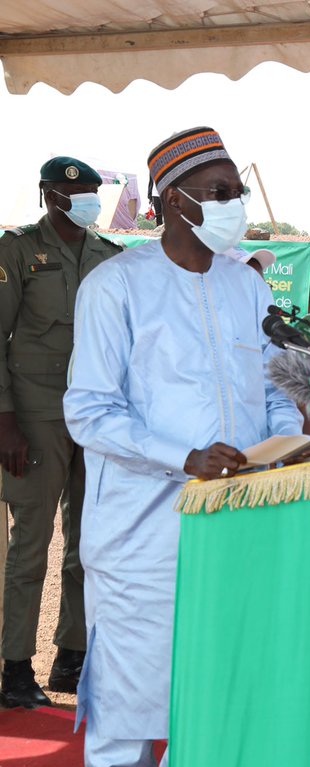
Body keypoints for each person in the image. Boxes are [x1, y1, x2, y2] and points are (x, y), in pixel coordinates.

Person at [63, 126, 302, 767]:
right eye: (217, 192)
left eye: (237, 190)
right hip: (144, 541)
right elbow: (88, 410)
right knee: (129, 721)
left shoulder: (246, 287)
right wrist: (185, 457)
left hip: (232, 535)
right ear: (173, 201)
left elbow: (277, 384)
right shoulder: (116, 287)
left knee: (211, 707)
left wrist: (290, 435)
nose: (234, 202)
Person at [0, 156, 123, 708]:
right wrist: (6, 421)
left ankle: (71, 657)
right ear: (50, 195)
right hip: (34, 415)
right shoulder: (17, 250)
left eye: (96, 192)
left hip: (92, 414)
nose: (89, 200)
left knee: (89, 542)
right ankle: (15, 668)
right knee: (30, 543)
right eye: (79, 192)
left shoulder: (109, 257)